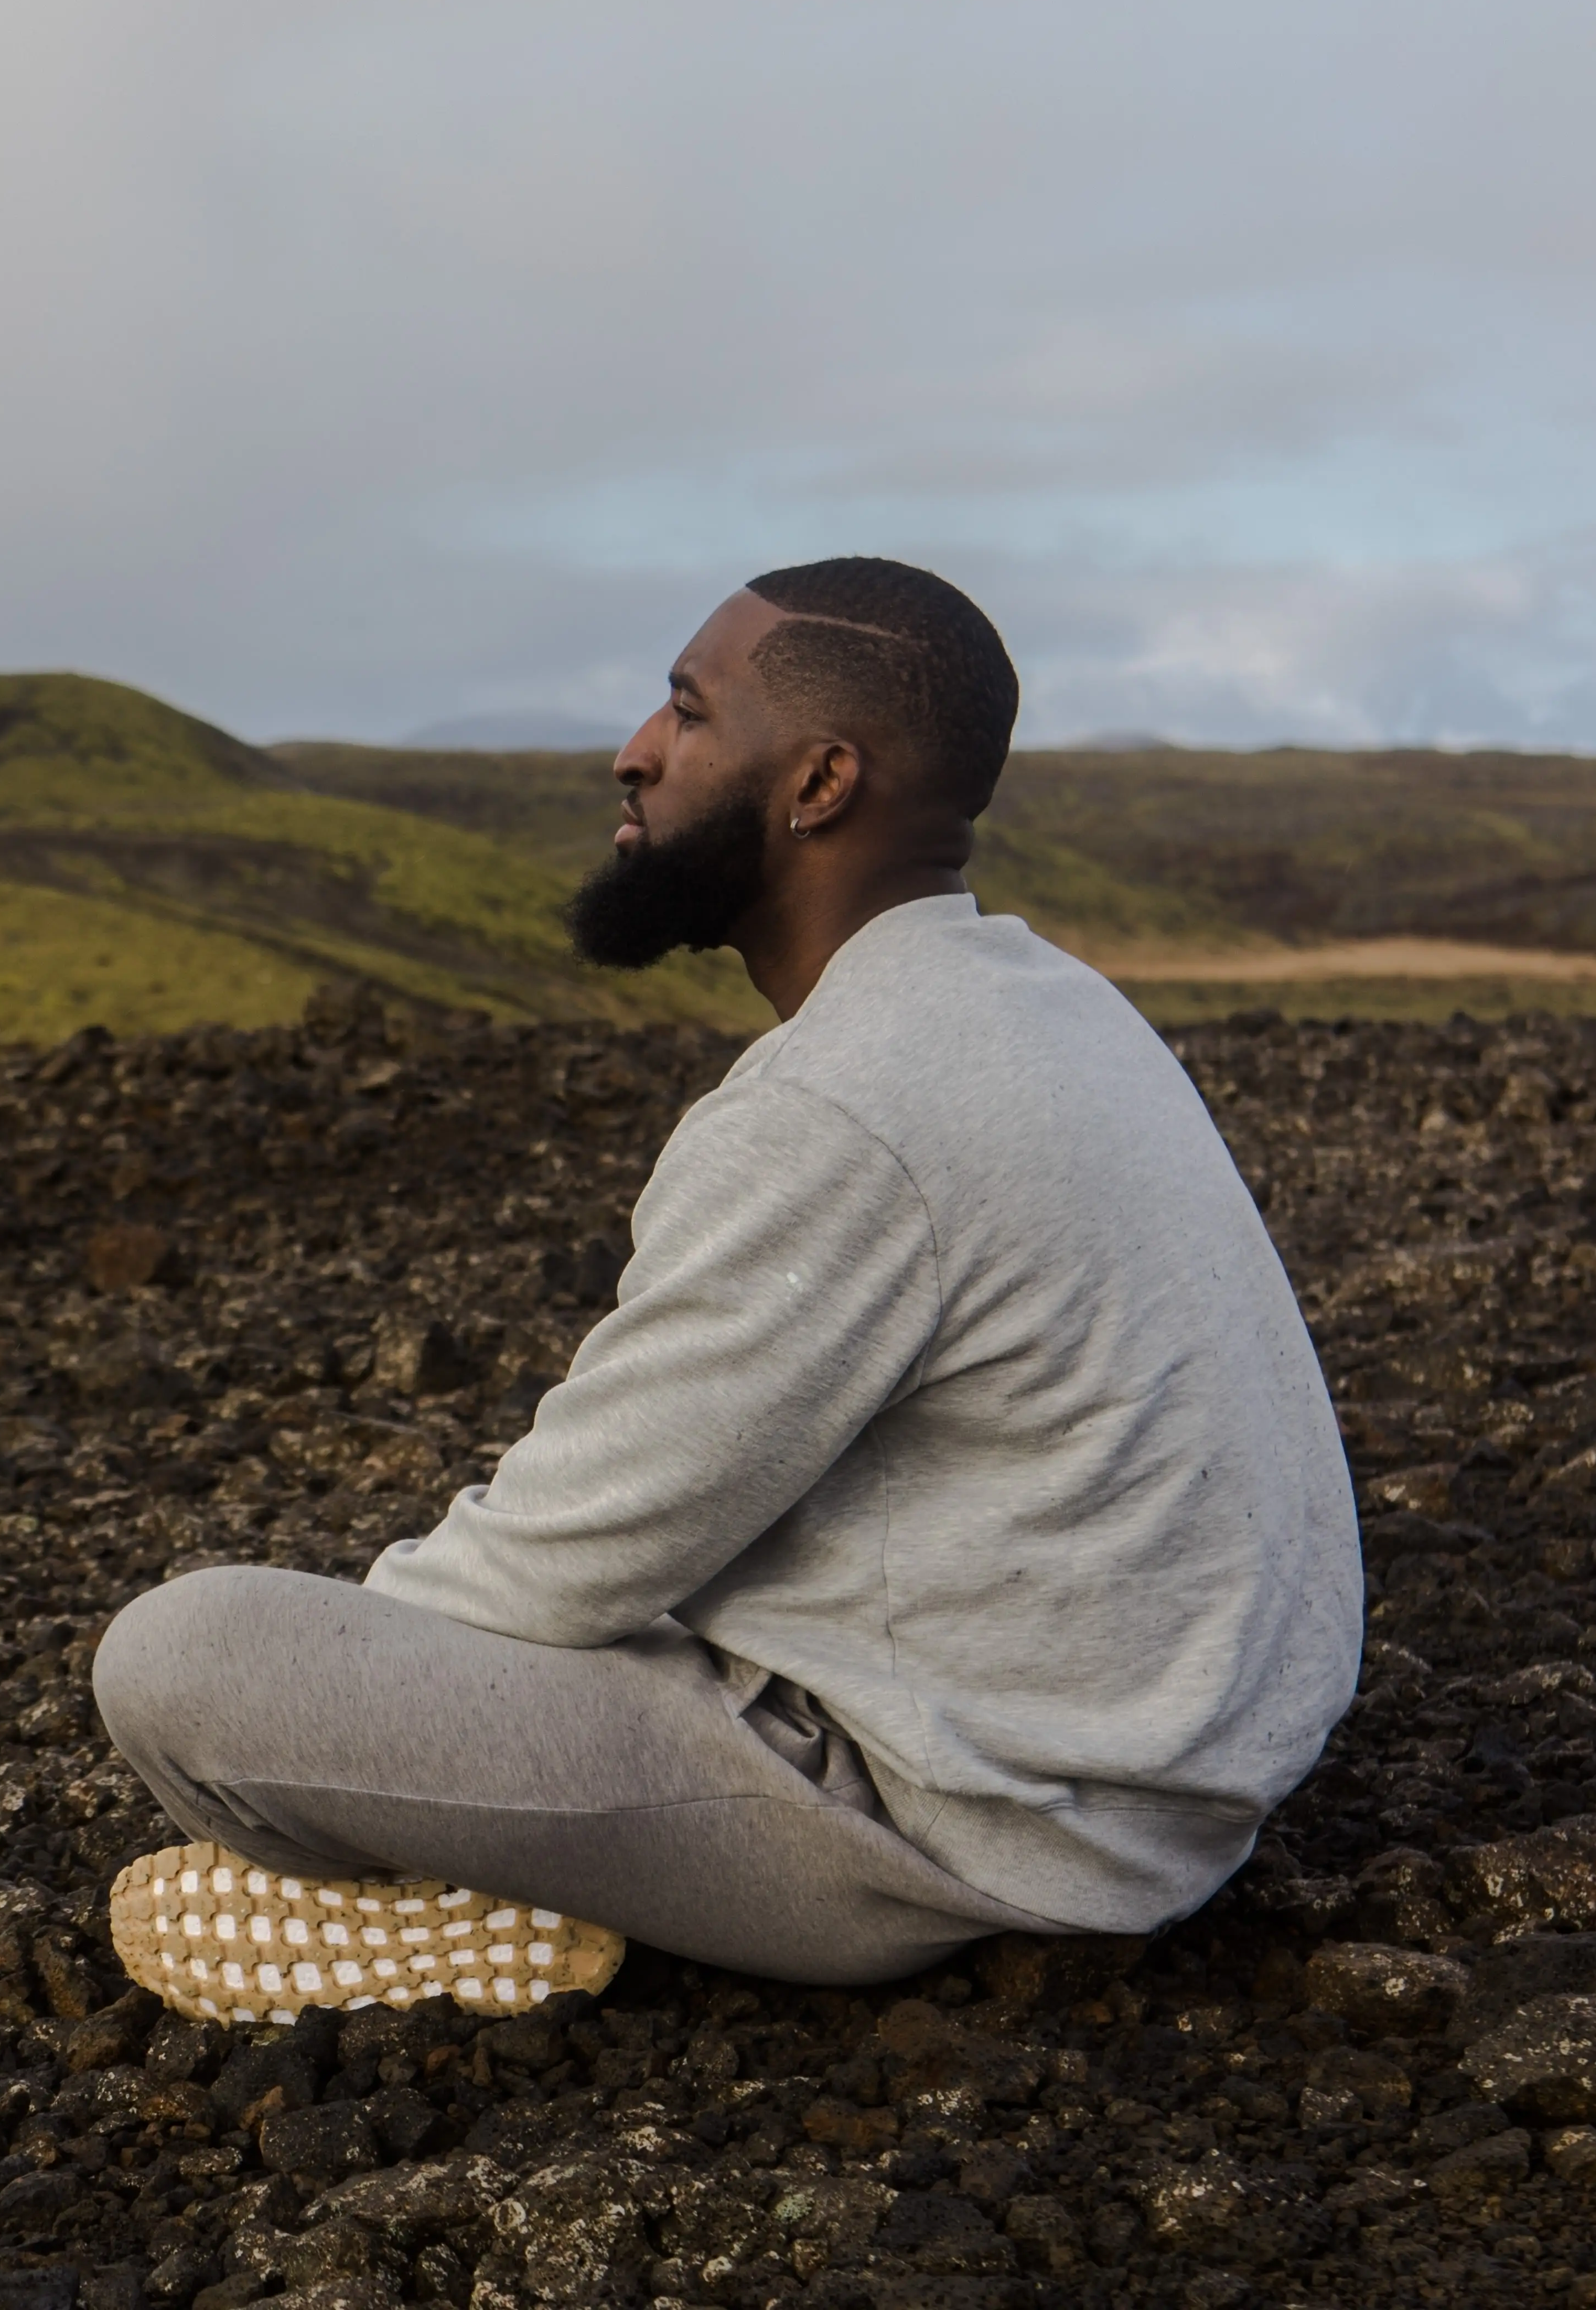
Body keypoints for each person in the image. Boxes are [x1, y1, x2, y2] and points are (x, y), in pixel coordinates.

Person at [90, 557, 1361, 2019]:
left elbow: (558, 1566)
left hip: (965, 1831)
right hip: (1172, 1777)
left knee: (183, 1664)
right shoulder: (1054, 1005)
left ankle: (481, 1915)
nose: (634, 749)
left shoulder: (842, 1106)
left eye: (689, 717)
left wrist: (362, 1704)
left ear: (817, 782)